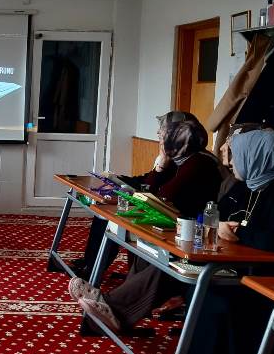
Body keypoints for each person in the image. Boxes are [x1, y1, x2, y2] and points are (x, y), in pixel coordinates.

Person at [69, 118, 223, 333]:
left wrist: (161, 164)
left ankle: (110, 307)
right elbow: (150, 189)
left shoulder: (198, 162)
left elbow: (160, 195)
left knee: (159, 261)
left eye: (164, 136)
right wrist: (160, 166)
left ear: (177, 140)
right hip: (181, 230)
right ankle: (109, 314)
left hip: (196, 237)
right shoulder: (183, 160)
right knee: (144, 251)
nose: (160, 141)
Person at [185, 130, 274, 354]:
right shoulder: (249, 185)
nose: (232, 162)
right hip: (246, 268)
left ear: (257, 157)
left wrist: (240, 233)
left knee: (229, 302)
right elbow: (215, 213)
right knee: (202, 289)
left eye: (238, 155)